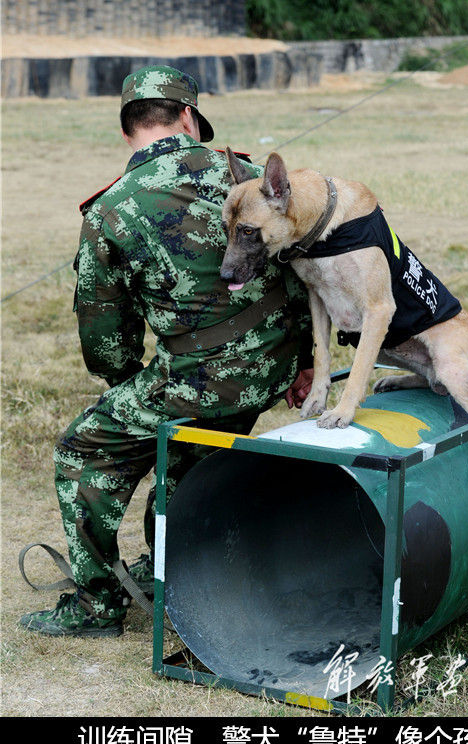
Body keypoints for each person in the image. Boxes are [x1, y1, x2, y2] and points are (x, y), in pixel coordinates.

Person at [20, 65, 314, 637]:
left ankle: (97, 607)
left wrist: (132, 380)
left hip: (199, 380)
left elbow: (105, 343)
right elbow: (302, 274)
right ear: (187, 117)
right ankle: (172, 570)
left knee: (82, 451)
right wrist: (302, 361)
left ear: (128, 128)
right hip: (274, 367)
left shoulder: (111, 210)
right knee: (188, 451)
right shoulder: (250, 175)